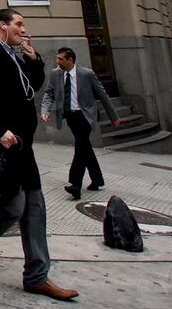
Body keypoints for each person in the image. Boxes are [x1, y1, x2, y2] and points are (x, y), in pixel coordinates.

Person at [0, 8, 78, 301]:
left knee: (35, 209)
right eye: (19, 24)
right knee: (12, 207)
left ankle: (37, 275)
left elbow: (30, 88)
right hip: (4, 147)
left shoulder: (15, 57)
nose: (24, 30)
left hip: (24, 146)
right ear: (3, 25)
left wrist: (34, 60)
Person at [40, 47, 120, 200]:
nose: (58, 62)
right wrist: (45, 110)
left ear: (70, 60)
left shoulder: (87, 74)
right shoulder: (56, 74)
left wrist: (113, 116)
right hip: (70, 116)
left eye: (61, 59)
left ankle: (75, 185)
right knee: (85, 147)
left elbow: (102, 95)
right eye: (57, 59)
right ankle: (97, 178)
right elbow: (49, 93)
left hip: (86, 115)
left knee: (80, 145)